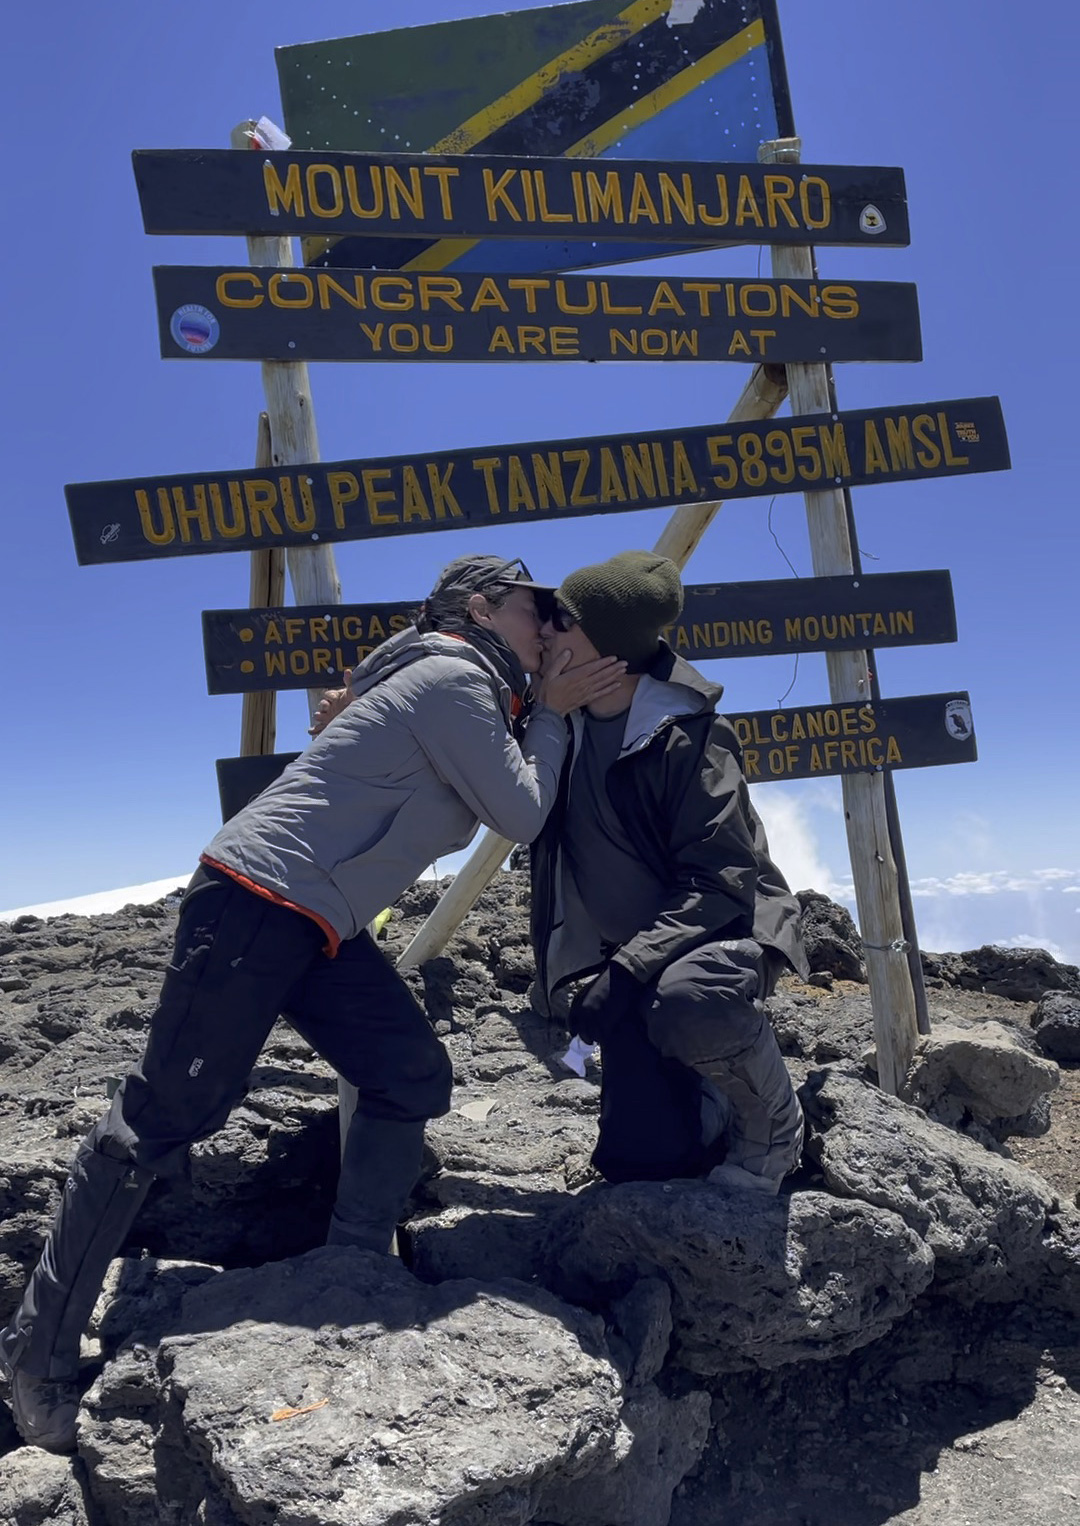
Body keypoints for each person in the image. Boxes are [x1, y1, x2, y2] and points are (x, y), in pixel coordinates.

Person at [0, 553, 625, 1453]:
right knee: (158, 1122)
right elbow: (523, 814)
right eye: (541, 609)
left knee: (407, 1071)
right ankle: (34, 1352)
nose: (554, 626)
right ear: (485, 608)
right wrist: (558, 714)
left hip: (313, 919)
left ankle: (353, 1262)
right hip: (259, 902)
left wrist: (542, 705)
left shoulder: (455, 678)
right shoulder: (453, 676)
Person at [529, 551, 809, 1193]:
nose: (544, 630)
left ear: (610, 654)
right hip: (637, 952)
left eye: (562, 621)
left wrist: (625, 974)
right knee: (643, 1161)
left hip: (720, 932)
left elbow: (720, 882)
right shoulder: (557, 724)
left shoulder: (691, 741)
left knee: (690, 1003)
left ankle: (776, 1125)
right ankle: (708, 1091)